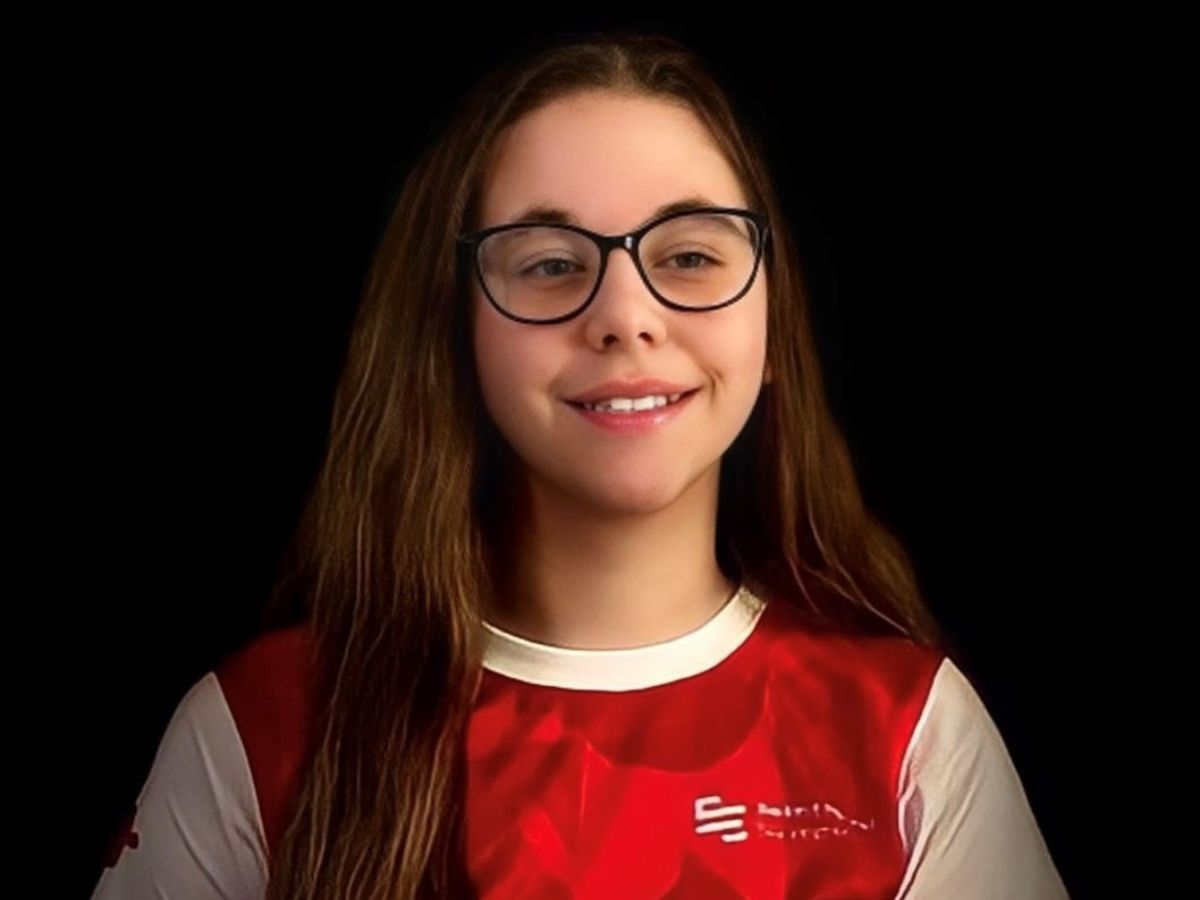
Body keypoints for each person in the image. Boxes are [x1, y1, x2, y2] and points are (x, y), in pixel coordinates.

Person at [92, 31, 1070, 900]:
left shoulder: (907, 730)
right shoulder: (261, 725)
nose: (625, 317)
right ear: (454, 331)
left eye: (689, 257)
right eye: (551, 263)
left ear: (774, 327)